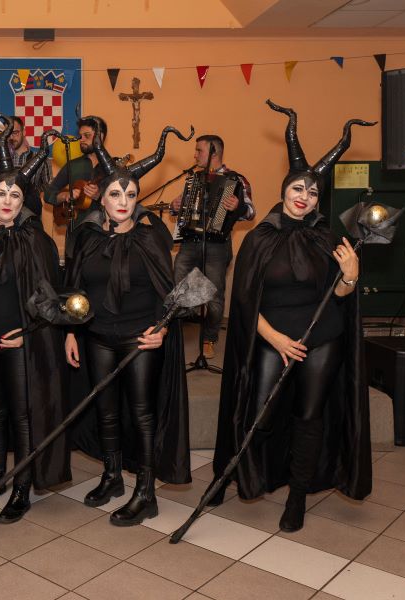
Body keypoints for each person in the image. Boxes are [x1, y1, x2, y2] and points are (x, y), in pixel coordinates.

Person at [211, 99, 374, 533]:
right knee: (259, 413)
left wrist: (351, 276)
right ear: (284, 190)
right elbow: (245, 302)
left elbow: (338, 296)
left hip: (322, 338)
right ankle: (236, 472)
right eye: (298, 189)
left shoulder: (326, 236)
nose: (304, 197)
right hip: (273, 337)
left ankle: (297, 495)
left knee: (309, 414)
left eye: (313, 192)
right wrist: (276, 339)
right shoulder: (260, 237)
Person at [65, 119, 193, 526]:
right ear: (102, 198)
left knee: (141, 414)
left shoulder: (150, 236)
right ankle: (112, 476)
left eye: (131, 194)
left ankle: (146, 492)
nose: (123, 200)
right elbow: (77, 287)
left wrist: (163, 328)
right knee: (106, 411)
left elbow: (167, 291)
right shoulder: (87, 236)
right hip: (98, 336)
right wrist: (72, 331)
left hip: (140, 338)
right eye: (115, 193)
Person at [0, 111, 69, 524]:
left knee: (22, 414)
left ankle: (22, 485)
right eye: (1, 193)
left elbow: (47, 296)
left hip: (19, 336)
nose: (7, 201)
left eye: (15, 196)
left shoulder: (35, 239)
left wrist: (30, 333)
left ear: (24, 201)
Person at [169, 135, 254, 360]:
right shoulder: (194, 178)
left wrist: (238, 206)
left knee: (214, 299)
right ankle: (178, 330)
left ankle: (209, 338)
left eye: (199, 150)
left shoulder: (235, 179)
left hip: (217, 245)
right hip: (189, 242)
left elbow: (251, 212)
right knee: (179, 291)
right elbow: (183, 207)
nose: (195, 155)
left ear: (214, 152)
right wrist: (175, 206)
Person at [44, 116, 107, 219]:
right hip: (77, 226)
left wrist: (100, 196)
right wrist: (65, 195)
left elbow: (124, 199)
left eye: (87, 135)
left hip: (105, 226)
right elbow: (48, 194)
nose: (81, 140)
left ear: (101, 136)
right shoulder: (73, 165)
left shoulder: (112, 167)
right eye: (80, 136)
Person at [9, 115, 50, 216]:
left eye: (15, 133)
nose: (11, 137)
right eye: (7, 134)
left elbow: (49, 188)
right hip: (4, 217)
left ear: (24, 132)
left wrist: (34, 192)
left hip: (31, 217)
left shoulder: (41, 159)